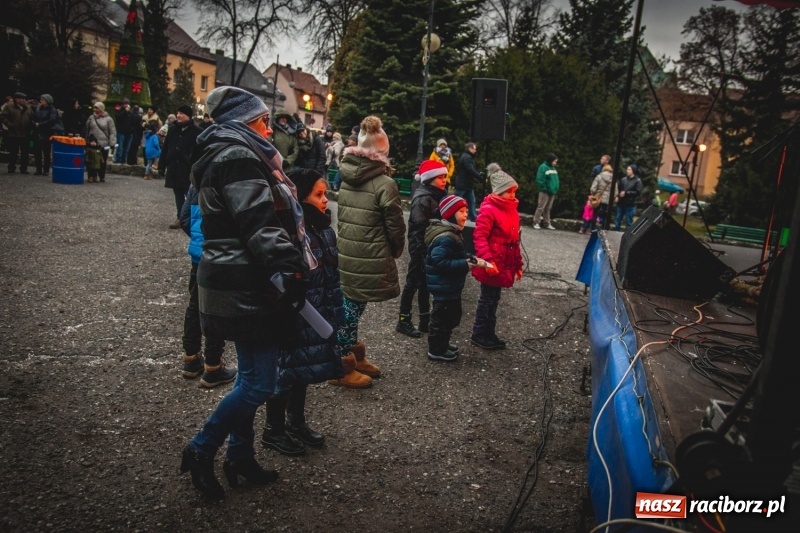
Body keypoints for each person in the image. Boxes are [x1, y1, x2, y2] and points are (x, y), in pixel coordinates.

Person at [180, 85, 308, 501]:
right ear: (248, 122)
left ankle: (240, 455)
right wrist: (291, 266)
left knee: (252, 377)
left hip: (232, 280)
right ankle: (202, 448)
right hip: (247, 283)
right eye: (265, 121)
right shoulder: (237, 155)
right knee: (258, 384)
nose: (270, 130)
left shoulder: (223, 151)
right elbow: (259, 224)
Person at [262, 168, 345, 455]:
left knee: (303, 370)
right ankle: (273, 429)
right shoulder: (292, 232)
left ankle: (296, 421)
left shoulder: (324, 228)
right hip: (297, 312)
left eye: (326, 194)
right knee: (284, 371)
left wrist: (335, 310)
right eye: (319, 195)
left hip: (318, 310)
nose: (325, 200)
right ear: (300, 196)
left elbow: (332, 275)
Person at [329, 115, 404, 388]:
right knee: (350, 310)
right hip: (369, 254)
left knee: (352, 304)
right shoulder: (385, 184)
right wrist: (396, 250)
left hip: (347, 252)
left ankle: (354, 357)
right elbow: (395, 226)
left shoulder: (348, 177)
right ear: (382, 153)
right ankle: (341, 365)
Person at [178, 184, 237, 388]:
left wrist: (198, 240)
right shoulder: (225, 181)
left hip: (198, 255)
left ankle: (191, 358)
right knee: (215, 307)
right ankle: (213, 365)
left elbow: (184, 217)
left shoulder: (197, 182)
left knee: (195, 304)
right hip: (219, 256)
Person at [469, 168, 523, 350]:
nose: (513, 195)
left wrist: (518, 266)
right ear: (500, 191)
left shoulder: (512, 212)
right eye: (509, 191)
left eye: (514, 191)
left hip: (503, 263)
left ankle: (488, 332)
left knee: (494, 300)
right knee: (487, 299)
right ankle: (479, 333)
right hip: (492, 263)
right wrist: (487, 261)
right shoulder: (489, 210)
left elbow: (515, 243)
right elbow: (479, 237)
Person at [396, 159, 448, 338]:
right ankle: (403, 320)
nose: (444, 180)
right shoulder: (424, 198)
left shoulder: (438, 195)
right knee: (412, 283)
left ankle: (425, 321)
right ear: (430, 178)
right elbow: (418, 228)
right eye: (441, 176)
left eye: (445, 176)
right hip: (421, 248)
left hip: (430, 248)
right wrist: (420, 252)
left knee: (425, 285)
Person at [424, 195, 474, 362]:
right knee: (441, 318)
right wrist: (464, 265)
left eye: (466, 210)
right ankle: (436, 349)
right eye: (461, 211)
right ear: (450, 213)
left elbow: (455, 255)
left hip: (450, 286)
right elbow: (440, 262)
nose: (465, 214)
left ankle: (443, 343)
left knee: (451, 316)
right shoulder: (445, 237)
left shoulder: (454, 232)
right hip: (443, 286)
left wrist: (468, 258)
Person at [162, 104, 201, 229]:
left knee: (192, 195)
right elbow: (166, 148)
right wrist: (162, 165)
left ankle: (193, 219)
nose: (178, 115)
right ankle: (180, 218)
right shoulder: (172, 129)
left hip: (188, 169)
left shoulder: (197, 132)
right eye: (178, 113)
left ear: (188, 116)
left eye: (182, 113)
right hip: (174, 167)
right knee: (178, 193)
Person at [0, 92, 32, 174]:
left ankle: (23, 168)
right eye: (22, 99)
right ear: (17, 99)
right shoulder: (9, 107)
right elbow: (3, 117)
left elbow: (31, 117)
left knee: (25, 152)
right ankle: (11, 167)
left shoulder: (28, 108)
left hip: (24, 133)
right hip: (13, 132)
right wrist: (10, 125)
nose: (24, 100)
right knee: (13, 151)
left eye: (25, 99)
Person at [85, 102, 116, 182]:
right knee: (92, 160)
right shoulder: (91, 117)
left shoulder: (109, 119)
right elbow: (87, 129)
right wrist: (86, 140)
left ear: (101, 108)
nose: (95, 109)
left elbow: (112, 132)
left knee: (102, 160)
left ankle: (101, 176)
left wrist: (112, 143)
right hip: (92, 143)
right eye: (94, 108)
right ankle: (92, 176)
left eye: (97, 108)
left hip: (103, 143)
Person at [453, 142, 483, 222]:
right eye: (474, 149)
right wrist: (480, 177)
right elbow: (470, 170)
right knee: (457, 201)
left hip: (466, 184)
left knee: (471, 200)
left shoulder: (466, 156)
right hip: (464, 184)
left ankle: (473, 217)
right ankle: (452, 214)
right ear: (470, 149)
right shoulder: (467, 158)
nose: (475, 151)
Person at [31, 94, 60, 176]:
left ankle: (46, 170)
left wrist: (40, 124)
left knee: (46, 153)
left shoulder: (52, 109)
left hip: (46, 133)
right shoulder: (38, 109)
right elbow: (33, 118)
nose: (41, 101)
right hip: (37, 132)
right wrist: (35, 124)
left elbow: (52, 120)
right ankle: (38, 169)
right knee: (37, 152)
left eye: (43, 99)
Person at [533, 153, 559, 230]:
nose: (555, 163)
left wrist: (555, 189)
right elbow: (540, 179)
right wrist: (544, 188)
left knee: (548, 208)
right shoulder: (543, 167)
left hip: (552, 191)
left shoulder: (553, 168)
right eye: (554, 161)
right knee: (541, 207)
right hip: (545, 191)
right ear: (551, 160)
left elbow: (555, 180)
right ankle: (536, 222)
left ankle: (547, 223)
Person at [614, 164, 643, 231]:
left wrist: (627, 193)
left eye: (629, 169)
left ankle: (628, 236)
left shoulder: (637, 181)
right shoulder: (623, 179)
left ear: (633, 171)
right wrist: (617, 196)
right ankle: (616, 232)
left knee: (628, 221)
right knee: (617, 219)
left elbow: (637, 192)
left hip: (630, 203)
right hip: (621, 202)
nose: (627, 171)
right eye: (627, 169)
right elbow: (619, 189)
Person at [590, 163, 614, 230]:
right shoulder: (613, 179)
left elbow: (593, 188)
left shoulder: (599, 176)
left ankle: (592, 229)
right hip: (607, 200)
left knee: (595, 214)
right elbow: (615, 191)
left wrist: (593, 194)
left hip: (598, 198)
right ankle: (603, 230)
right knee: (604, 216)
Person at [113, 98, 134, 164]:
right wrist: (125, 111)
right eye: (125, 104)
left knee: (126, 148)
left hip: (128, 132)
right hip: (121, 131)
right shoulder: (119, 111)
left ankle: (124, 160)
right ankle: (118, 160)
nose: (126, 105)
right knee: (120, 147)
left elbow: (132, 121)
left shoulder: (130, 113)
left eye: (127, 104)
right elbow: (119, 118)